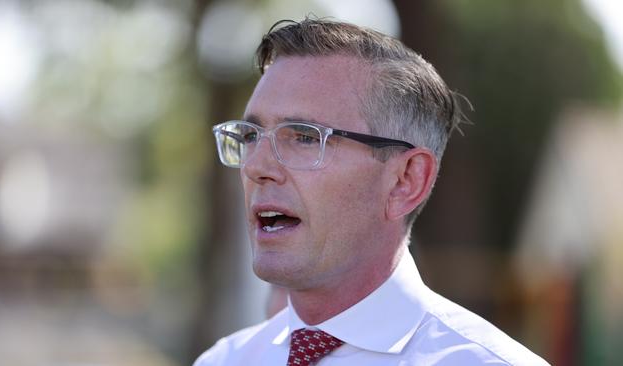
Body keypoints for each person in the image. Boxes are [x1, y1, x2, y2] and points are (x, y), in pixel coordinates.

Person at [196, 18, 549, 365]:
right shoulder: (225, 360)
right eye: (250, 136)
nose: (256, 167)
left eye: (304, 137)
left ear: (405, 180)